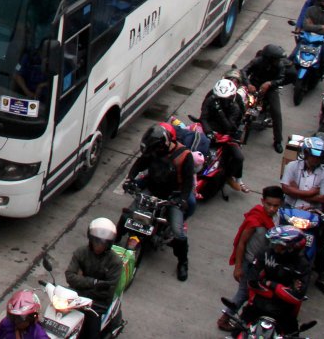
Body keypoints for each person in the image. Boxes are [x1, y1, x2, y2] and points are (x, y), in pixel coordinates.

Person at [125, 124, 194, 281]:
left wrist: (181, 199)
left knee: (178, 232)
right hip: (152, 189)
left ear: (165, 142)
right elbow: (139, 164)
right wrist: (130, 179)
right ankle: (114, 240)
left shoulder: (184, 156)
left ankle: (183, 262)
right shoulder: (153, 150)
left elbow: (188, 182)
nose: (154, 153)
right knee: (129, 214)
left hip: (172, 197)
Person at [220, 186, 284, 331]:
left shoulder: (277, 217)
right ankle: (225, 319)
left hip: (263, 264)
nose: (272, 208)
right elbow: (241, 243)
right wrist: (238, 267)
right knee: (243, 293)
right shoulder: (255, 219)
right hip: (249, 263)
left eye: (276, 205)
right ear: (262, 201)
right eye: (269, 205)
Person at [280, 136, 324, 298]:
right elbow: (285, 188)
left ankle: (322, 277)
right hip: (289, 210)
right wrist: (311, 193)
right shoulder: (292, 167)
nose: (315, 159)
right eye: (313, 155)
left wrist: (298, 192)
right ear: (306, 153)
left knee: (319, 246)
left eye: (318, 157)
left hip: (312, 215)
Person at [240, 226, 312, 334]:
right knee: (238, 331)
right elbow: (252, 281)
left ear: (291, 247)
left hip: (284, 314)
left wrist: (270, 284)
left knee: (293, 334)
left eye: (280, 245)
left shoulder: (302, 265)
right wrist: (280, 291)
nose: (275, 247)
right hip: (257, 307)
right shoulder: (266, 253)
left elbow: (296, 296)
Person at [66, 218, 124, 339]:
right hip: (75, 297)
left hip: (96, 305)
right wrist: (94, 282)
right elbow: (70, 276)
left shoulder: (115, 262)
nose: (99, 245)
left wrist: (81, 281)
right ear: (90, 239)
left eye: (103, 243)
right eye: (96, 241)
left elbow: (107, 289)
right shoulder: (81, 252)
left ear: (108, 244)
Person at [200, 78, 250, 194]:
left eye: (226, 99)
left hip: (227, 133)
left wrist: (220, 112)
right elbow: (204, 117)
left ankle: (230, 176)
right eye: (220, 99)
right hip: (209, 130)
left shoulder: (236, 107)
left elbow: (229, 126)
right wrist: (208, 131)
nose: (223, 101)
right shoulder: (210, 99)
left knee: (239, 157)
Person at [244, 44, 295, 153]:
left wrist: (270, 83)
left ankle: (277, 140)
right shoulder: (256, 62)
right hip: (254, 86)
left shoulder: (280, 65)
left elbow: (281, 79)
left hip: (270, 89)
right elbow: (244, 72)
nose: (278, 61)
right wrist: (248, 84)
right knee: (241, 103)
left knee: (276, 113)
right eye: (276, 59)